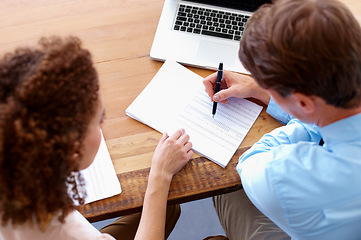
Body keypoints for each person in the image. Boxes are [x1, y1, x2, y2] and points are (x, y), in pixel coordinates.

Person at [0, 36, 193, 240]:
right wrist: (160, 175)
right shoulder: (65, 231)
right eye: (99, 119)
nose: (103, 125)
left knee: (170, 209)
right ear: (71, 147)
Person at [203, 0, 361, 239]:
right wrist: (264, 91)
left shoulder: (281, 173)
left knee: (223, 188)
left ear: (305, 103)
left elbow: (251, 161)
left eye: (270, 88)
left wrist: (308, 122)